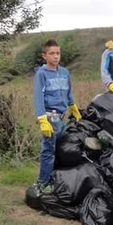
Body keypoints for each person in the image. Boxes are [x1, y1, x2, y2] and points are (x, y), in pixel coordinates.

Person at [32, 39, 82, 195]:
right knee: (48, 150)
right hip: (50, 117)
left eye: (58, 53)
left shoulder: (64, 72)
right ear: (44, 56)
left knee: (60, 149)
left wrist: (73, 107)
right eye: (52, 53)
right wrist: (42, 120)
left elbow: (68, 93)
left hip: (62, 116)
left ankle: (55, 179)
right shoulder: (42, 74)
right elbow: (38, 97)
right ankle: (42, 183)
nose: (55, 56)